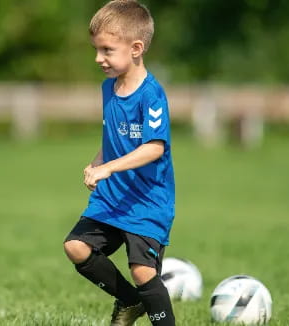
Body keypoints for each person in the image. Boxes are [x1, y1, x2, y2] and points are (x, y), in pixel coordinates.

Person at [63, 1, 176, 325]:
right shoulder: (107, 89)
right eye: (97, 50)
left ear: (136, 48)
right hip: (112, 197)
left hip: (147, 201)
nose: (99, 58)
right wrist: (96, 162)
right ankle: (129, 301)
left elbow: (154, 147)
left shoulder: (151, 95)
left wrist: (108, 168)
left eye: (107, 50)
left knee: (143, 271)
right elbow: (112, 138)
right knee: (76, 247)